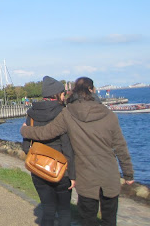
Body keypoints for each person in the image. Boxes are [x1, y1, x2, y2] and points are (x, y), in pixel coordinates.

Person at [21, 77, 134, 226]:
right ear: (92, 91)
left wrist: (25, 130)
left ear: (74, 92)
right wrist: (128, 174)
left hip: (86, 177)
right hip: (109, 175)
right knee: (109, 219)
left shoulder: (68, 114)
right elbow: (120, 147)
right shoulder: (109, 115)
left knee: (87, 220)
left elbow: (46, 133)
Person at [21, 76, 75, 226]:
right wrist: (72, 174)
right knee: (64, 210)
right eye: (63, 93)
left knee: (48, 210)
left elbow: (26, 146)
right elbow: (67, 145)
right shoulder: (63, 113)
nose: (64, 96)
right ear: (57, 94)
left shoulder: (31, 113)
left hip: (38, 168)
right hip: (61, 168)